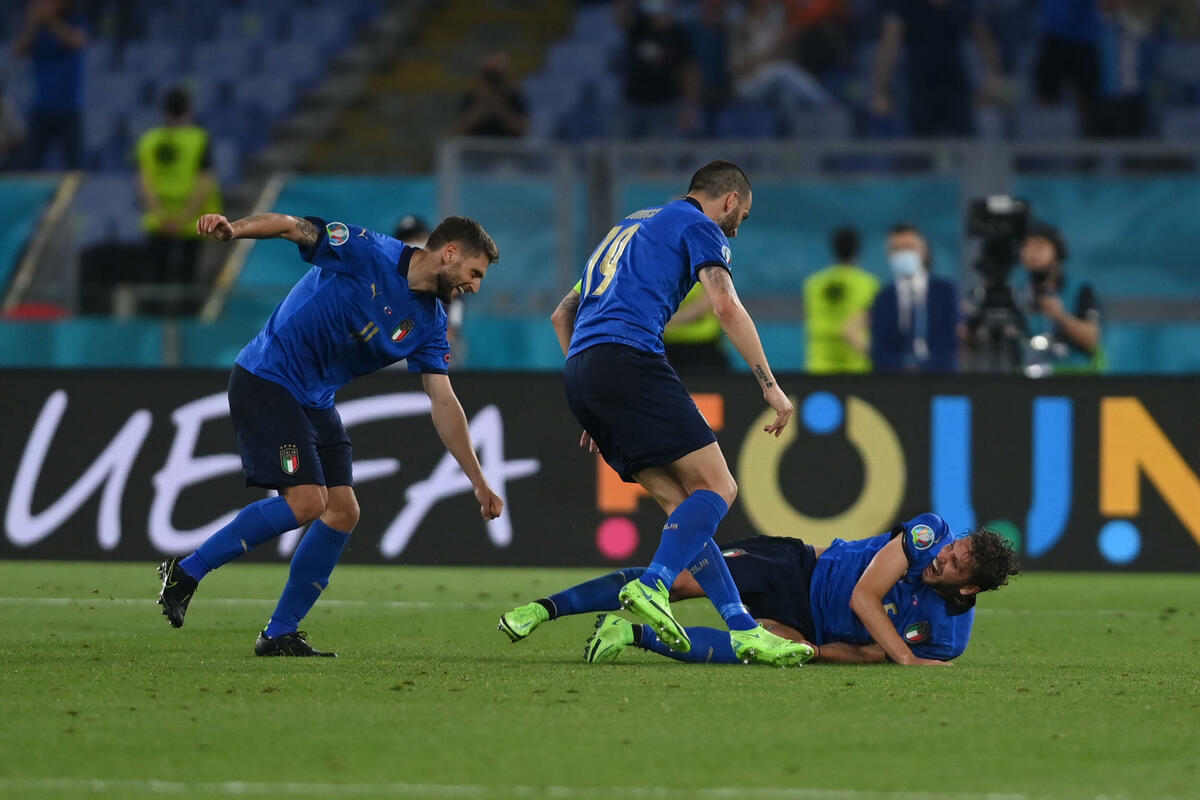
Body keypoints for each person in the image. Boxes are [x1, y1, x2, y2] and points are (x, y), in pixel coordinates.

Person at [508, 160, 812, 668]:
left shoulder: (629, 226)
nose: (738, 227)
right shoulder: (699, 226)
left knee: (683, 510)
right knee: (720, 488)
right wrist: (771, 387)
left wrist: (593, 393)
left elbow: (562, 313)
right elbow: (725, 307)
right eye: (742, 215)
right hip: (630, 358)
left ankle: (743, 630)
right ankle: (654, 583)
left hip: (582, 370)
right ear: (730, 200)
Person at [157, 212, 504, 656]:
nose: (474, 286)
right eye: (475, 273)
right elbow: (290, 226)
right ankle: (186, 572)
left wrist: (478, 481)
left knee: (342, 512)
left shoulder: (431, 323)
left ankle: (279, 633)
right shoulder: (368, 251)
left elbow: (444, 401)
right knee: (307, 502)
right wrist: (234, 230)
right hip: (268, 377)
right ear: (450, 253)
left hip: (315, 400)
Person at [500, 513, 1019, 667]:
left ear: (970, 587)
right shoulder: (929, 534)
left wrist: (814, 651)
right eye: (954, 548)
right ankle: (544, 608)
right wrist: (906, 658)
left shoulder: (948, 639)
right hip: (796, 568)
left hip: (813, 625)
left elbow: (868, 654)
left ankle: (631, 635)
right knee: (680, 584)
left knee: (762, 649)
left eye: (955, 564)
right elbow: (864, 596)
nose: (943, 557)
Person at [135, 86, 221, 314]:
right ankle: (188, 326)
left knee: (156, 280)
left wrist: (161, 215)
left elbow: (144, 183)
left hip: (158, 221)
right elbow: (204, 182)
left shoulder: (149, 140)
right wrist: (183, 217)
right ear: (189, 110)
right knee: (189, 282)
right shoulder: (199, 139)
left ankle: (152, 326)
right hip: (192, 222)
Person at [869, 0, 1004, 137]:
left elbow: (984, 40)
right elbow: (889, 45)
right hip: (919, 88)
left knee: (964, 142)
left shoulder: (961, 6)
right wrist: (880, 91)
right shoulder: (906, 5)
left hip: (955, 87)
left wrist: (991, 78)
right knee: (920, 144)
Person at [869, 223, 958, 373]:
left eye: (909, 247)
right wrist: (905, 370)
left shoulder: (945, 291)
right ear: (889, 255)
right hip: (895, 378)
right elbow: (879, 347)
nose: (904, 254)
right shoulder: (883, 297)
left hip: (940, 375)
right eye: (897, 249)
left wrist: (925, 369)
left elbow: (950, 339)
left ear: (923, 251)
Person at [1016, 220, 1103, 372]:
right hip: (1027, 374)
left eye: (1039, 245)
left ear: (1057, 251)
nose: (1031, 252)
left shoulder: (1080, 289)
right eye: (1026, 246)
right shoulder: (1018, 294)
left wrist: (1060, 316)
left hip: (1072, 375)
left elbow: (1092, 339)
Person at [12, 0, 88, 169]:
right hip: (41, 106)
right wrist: (32, 24)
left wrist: (51, 22)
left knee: (75, 164)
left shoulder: (76, 21)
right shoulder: (37, 30)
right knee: (29, 163)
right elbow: (17, 51)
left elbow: (77, 41)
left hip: (69, 107)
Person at [615, 0, 702, 138]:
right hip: (633, 105)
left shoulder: (680, 34)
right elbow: (620, 17)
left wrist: (689, 107)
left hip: (666, 107)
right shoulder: (638, 26)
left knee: (663, 149)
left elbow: (689, 72)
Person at [804, 226, 879, 374]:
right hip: (856, 365)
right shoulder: (869, 284)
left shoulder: (813, 284)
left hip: (819, 365)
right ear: (857, 250)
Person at [452, 52, 529, 138]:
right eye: (490, 77)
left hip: (506, 145)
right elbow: (456, 131)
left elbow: (523, 130)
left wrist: (501, 111)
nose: (493, 83)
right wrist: (479, 110)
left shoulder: (514, 97)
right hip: (475, 144)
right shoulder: (472, 97)